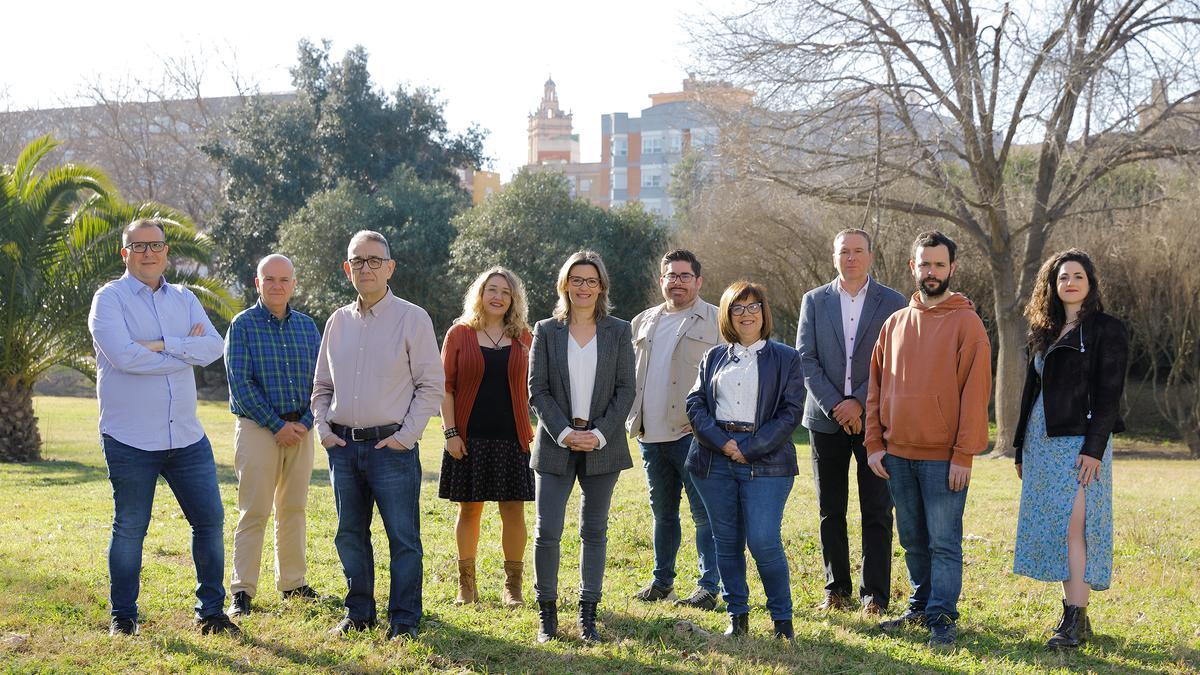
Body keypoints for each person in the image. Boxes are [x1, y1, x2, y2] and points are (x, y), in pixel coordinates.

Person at [88, 218, 238, 636]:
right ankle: (124, 617)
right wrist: (181, 350)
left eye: (155, 246)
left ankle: (211, 612)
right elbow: (123, 357)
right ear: (125, 254)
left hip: (187, 437)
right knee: (130, 528)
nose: (148, 253)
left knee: (209, 523)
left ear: (167, 252)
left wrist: (156, 344)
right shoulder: (109, 299)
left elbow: (213, 347)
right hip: (130, 438)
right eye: (138, 247)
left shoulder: (185, 299)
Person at [312, 230, 445, 640]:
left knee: (403, 538)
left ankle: (404, 619)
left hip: (393, 449)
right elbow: (321, 386)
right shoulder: (337, 321)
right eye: (357, 260)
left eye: (374, 260)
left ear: (390, 267)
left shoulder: (412, 317)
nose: (365, 267)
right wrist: (322, 428)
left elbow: (431, 385)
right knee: (349, 534)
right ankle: (359, 613)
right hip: (343, 448)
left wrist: (407, 436)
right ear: (347, 268)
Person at [866, 230, 992, 648]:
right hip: (897, 454)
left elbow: (976, 394)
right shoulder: (895, 323)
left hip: (944, 459)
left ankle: (942, 614)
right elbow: (875, 387)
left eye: (939, 264)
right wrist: (873, 445)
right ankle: (919, 606)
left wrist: (964, 455)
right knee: (912, 539)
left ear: (952, 268)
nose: (932, 271)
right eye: (925, 264)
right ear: (912, 267)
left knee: (943, 541)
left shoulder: (966, 323)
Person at [1013, 249, 1128, 649]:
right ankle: (1076, 613)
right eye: (1063, 277)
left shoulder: (1106, 330)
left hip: (1081, 443)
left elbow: (1110, 395)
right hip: (1041, 442)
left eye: (1078, 276)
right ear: (1053, 285)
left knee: (1075, 526)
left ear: (1090, 283)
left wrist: (1094, 449)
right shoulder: (1044, 330)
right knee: (1062, 531)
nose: (1070, 283)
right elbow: (1032, 392)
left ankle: (1073, 623)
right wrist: (1018, 449)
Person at [685, 281, 805, 640]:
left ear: (764, 312)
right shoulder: (713, 357)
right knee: (726, 541)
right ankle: (737, 617)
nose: (746, 313)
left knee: (764, 540)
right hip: (713, 460)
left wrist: (748, 448)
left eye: (753, 306)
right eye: (737, 307)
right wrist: (724, 443)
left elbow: (790, 413)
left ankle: (782, 622)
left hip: (766, 461)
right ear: (727, 315)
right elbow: (695, 404)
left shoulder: (786, 357)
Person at [796, 229, 906, 615]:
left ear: (871, 256)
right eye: (844, 252)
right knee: (831, 509)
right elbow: (805, 359)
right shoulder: (814, 301)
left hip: (875, 420)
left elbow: (895, 360)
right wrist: (835, 405)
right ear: (834, 256)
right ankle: (837, 590)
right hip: (825, 422)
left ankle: (874, 595)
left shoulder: (894, 302)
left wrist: (858, 403)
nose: (851, 258)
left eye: (858, 251)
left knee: (877, 510)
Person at [528, 250, 635, 643]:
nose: (584, 287)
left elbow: (627, 390)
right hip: (556, 443)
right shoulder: (545, 329)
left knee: (595, 531)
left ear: (601, 286)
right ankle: (548, 616)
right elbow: (536, 389)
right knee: (547, 532)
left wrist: (600, 433)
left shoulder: (619, 331)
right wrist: (565, 432)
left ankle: (588, 615)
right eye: (577, 280)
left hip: (603, 445)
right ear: (565, 285)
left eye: (591, 281)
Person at [224, 254, 323, 618]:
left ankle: (293, 583)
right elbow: (241, 383)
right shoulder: (243, 325)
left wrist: (306, 422)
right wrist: (276, 425)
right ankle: (242, 590)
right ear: (258, 283)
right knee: (254, 510)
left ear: (294, 284)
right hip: (257, 427)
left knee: (294, 509)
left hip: (301, 429)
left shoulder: (308, 327)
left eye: (284, 280)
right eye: (270, 279)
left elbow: (322, 381)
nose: (277, 286)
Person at [626, 249, 723, 611]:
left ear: (698, 281)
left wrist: (707, 422)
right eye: (671, 275)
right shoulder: (642, 322)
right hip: (650, 435)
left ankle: (709, 586)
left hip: (692, 436)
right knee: (663, 513)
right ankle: (662, 581)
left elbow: (730, 376)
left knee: (703, 513)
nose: (677, 281)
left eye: (685, 275)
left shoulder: (716, 320)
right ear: (661, 280)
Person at [438, 267, 535, 607]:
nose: (498, 296)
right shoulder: (459, 334)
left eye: (505, 292)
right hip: (468, 437)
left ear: (513, 299)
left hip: (513, 437)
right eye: (491, 289)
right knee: (469, 511)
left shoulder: (525, 337)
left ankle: (513, 587)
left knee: (513, 510)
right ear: (479, 294)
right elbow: (445, 388)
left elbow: (535, 387)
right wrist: (451, 433)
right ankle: (467, 585)